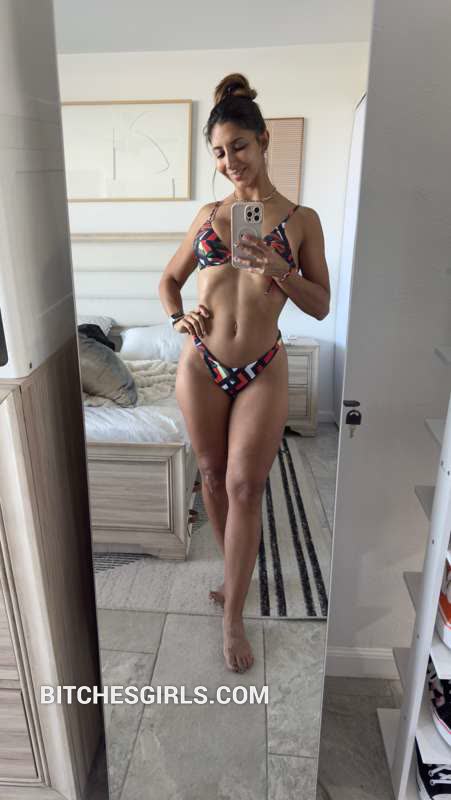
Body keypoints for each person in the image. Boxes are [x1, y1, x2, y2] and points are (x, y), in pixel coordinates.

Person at [158, 73, 330, 674]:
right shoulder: (209, 215)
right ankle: (236, 576)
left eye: (239, 146)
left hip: (262, 366)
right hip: (201, 364)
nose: (230, 161)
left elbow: (320, 305)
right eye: (219, 153)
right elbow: (169, 279)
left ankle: (233, 616)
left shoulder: (302, 220)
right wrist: (179, 318)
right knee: (211, 475)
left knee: (246, 486)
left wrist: (280, 268)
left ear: (263, 142)